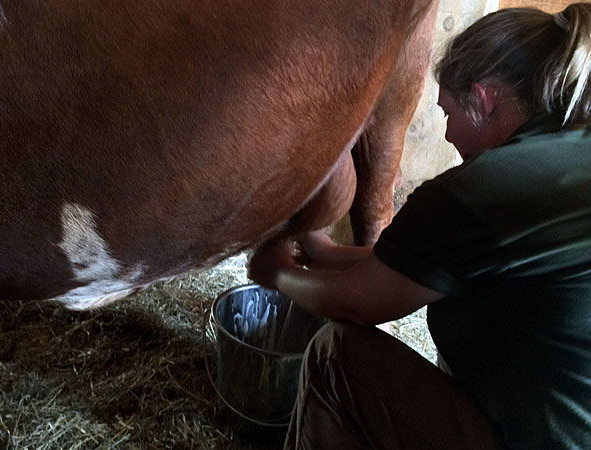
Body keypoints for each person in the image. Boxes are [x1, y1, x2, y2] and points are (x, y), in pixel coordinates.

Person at [247, 3, 591, 450]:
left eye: (448, 113)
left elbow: (355, 306)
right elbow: (427, 265)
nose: (446, 134)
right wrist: (325, 253)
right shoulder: (569, 149)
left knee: (335, 355)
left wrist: (274, 272)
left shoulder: (484, 189)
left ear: (484, 99)